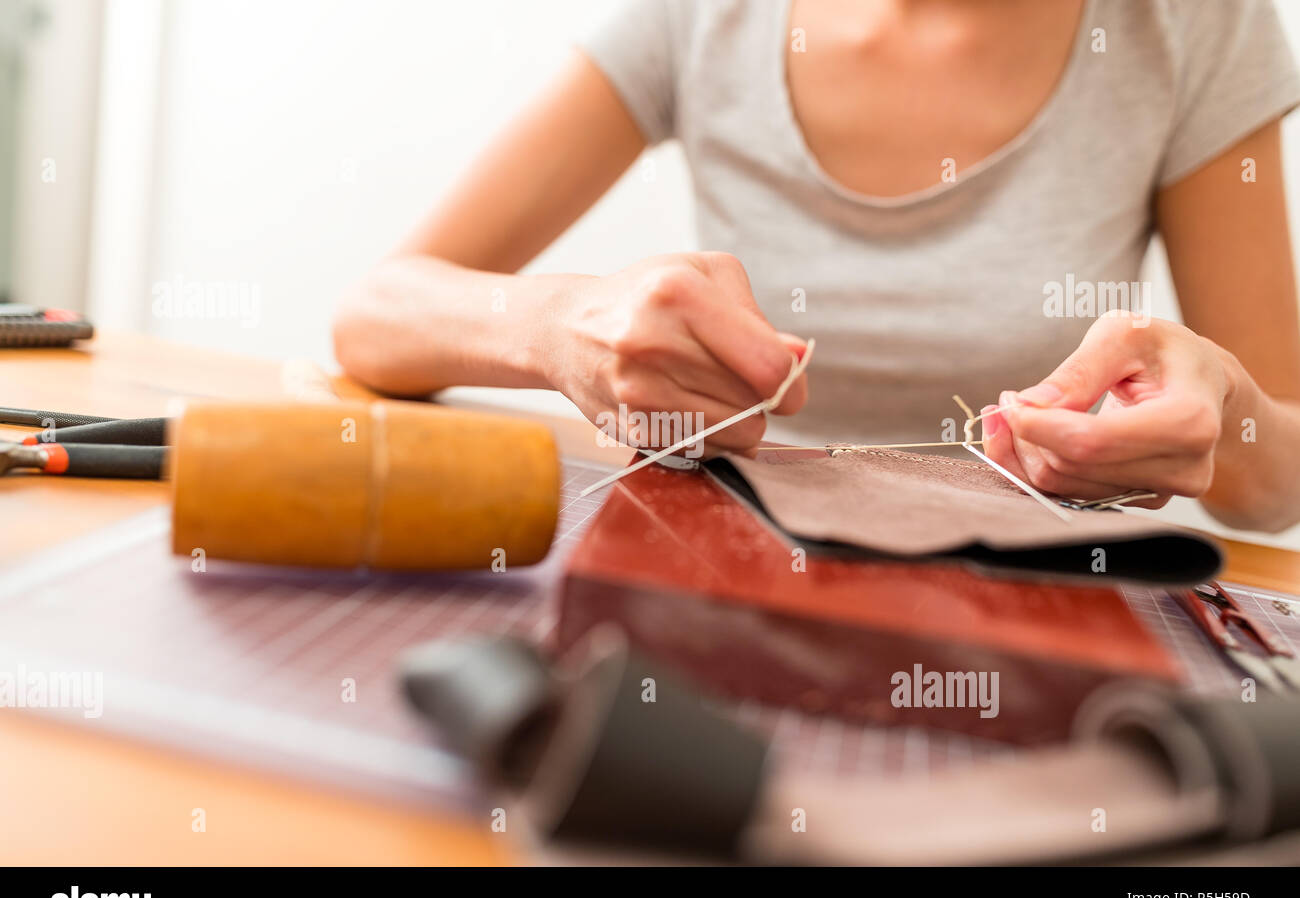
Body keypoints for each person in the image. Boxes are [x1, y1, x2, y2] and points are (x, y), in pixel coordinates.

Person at [333, 0, 1300, 531]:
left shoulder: (1193, 24)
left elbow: (1276, 484)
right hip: (721, 586)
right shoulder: (705, 18)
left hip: (1042, 619)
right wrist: (557, 326)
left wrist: (1228, 413)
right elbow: (374, 315)